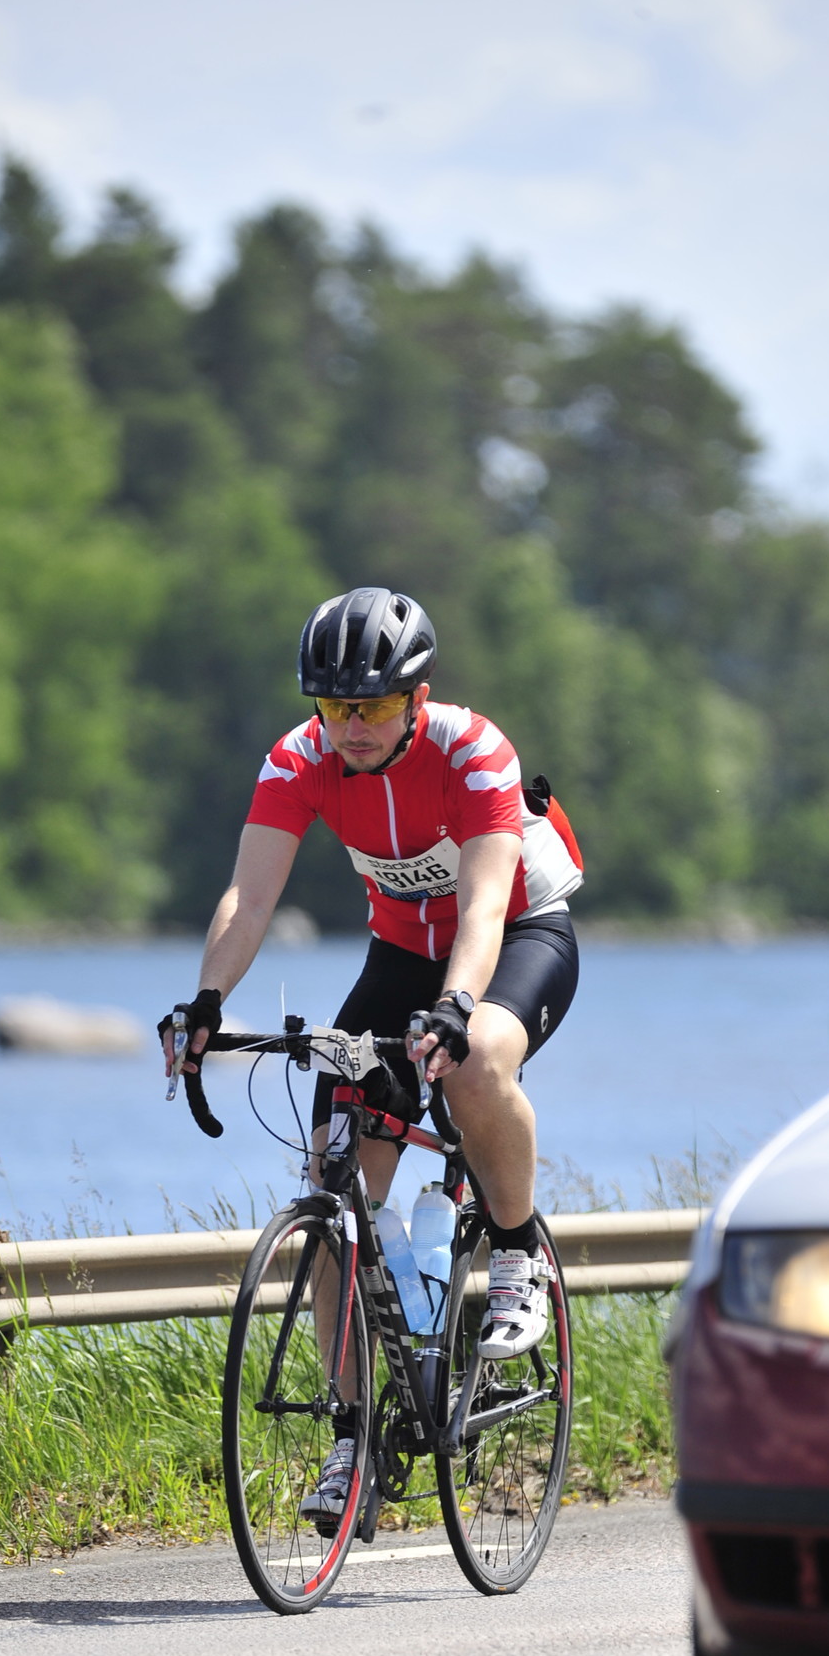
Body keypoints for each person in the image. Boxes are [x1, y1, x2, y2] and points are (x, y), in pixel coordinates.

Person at [162, 585, 582, 1519]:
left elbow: (483, 907)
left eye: (376, 705)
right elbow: (250, 898)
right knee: (334, 1175)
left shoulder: (473, 751)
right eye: (335, 705)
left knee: (476, 1062)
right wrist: (206, 1001)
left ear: (416, 697)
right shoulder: (299, 759)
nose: (352, 727)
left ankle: (517, 1253)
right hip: (399, 956)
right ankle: (352, 1438)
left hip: (515, 938)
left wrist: (458, 1009)